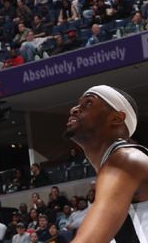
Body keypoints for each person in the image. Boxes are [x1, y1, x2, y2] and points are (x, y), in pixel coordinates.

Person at [63, 85, 148, 243]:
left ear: (116, 118)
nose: (74, 109)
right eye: (78, 103)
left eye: (88, 103)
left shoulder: (126, 160)